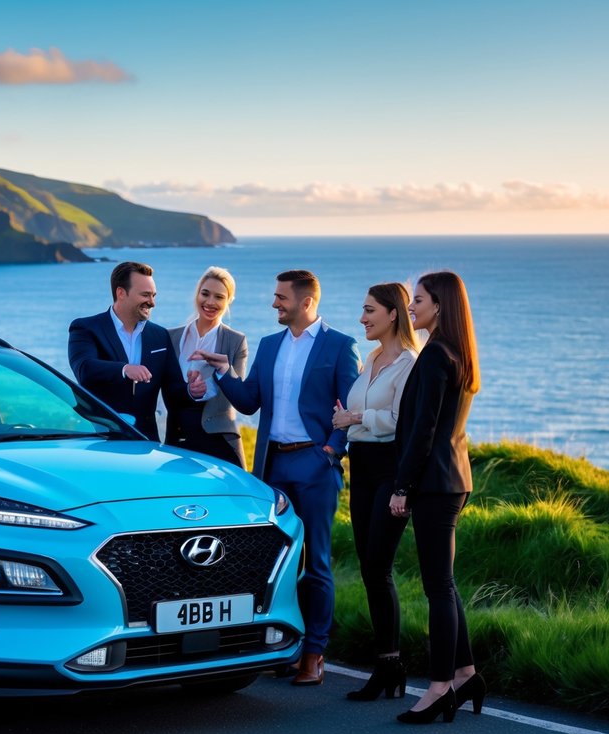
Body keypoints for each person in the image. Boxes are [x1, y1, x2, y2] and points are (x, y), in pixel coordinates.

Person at [191, 270, 360, 686]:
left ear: (305, 302)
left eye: (281, 297)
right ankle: (284, 644)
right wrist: (223, 372)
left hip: (315, 466)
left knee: (317, 562)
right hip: (273, 469)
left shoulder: (340, 346)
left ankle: (314, 654)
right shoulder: (269, 346)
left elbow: (350, 405)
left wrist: (331, 451)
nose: (274, 304)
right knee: (277, 563)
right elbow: (249, 403)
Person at [388, 270, 485, 724]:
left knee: (438, 588)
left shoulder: (433, 357)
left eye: (419, 299)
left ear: (440, 305)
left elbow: (423, 432)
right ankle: (466, 675)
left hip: (433, 483)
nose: (412, 306)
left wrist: (401, 486)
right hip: (454, 479)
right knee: (444, 584)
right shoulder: (459, 354)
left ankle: (440, 686)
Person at [331, 283, 419, 701]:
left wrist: (357, 416)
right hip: (361, 469)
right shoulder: (371, 359)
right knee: (368, 568)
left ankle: (391, 665)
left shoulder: (408, 364)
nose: (362, 318)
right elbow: (365, 419)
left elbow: (402, 422)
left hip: (389, 471)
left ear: (392, 314)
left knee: (378, 569)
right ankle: (386, 664)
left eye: (369, 311)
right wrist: (351, 419)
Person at [68, 261, 186, 441]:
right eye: (146, 295)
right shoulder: (85, 328)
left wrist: (193, 389)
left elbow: (174, 391)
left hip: (146, 442)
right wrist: (124, 369)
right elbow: (84, 369)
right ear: (121, 293)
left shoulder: (160, 335)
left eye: (154, 295)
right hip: (98, 438)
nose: (152, 302)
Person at [166, 267, 248, 467]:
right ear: (197, 294)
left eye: (219, 297)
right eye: (205, 294)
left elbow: (237, 397)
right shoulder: (171, 337)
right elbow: (165, 389)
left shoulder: (236, 341)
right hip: (178, 439)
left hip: (219, 441)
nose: (210, 302)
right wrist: (188, 390)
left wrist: (222, 370)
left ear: (229, 301)